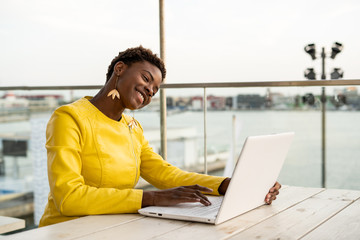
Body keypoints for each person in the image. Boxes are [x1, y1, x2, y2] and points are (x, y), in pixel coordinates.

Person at [39, 46, 281, 227]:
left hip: (112, 226)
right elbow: (68, 197)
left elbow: (166, 174)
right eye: (146, 78)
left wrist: (225, 185)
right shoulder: (69, 118)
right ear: (120, 69)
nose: (149, 90)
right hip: (66, 229)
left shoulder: (132, 127)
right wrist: (151, 197)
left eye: (155, 89)